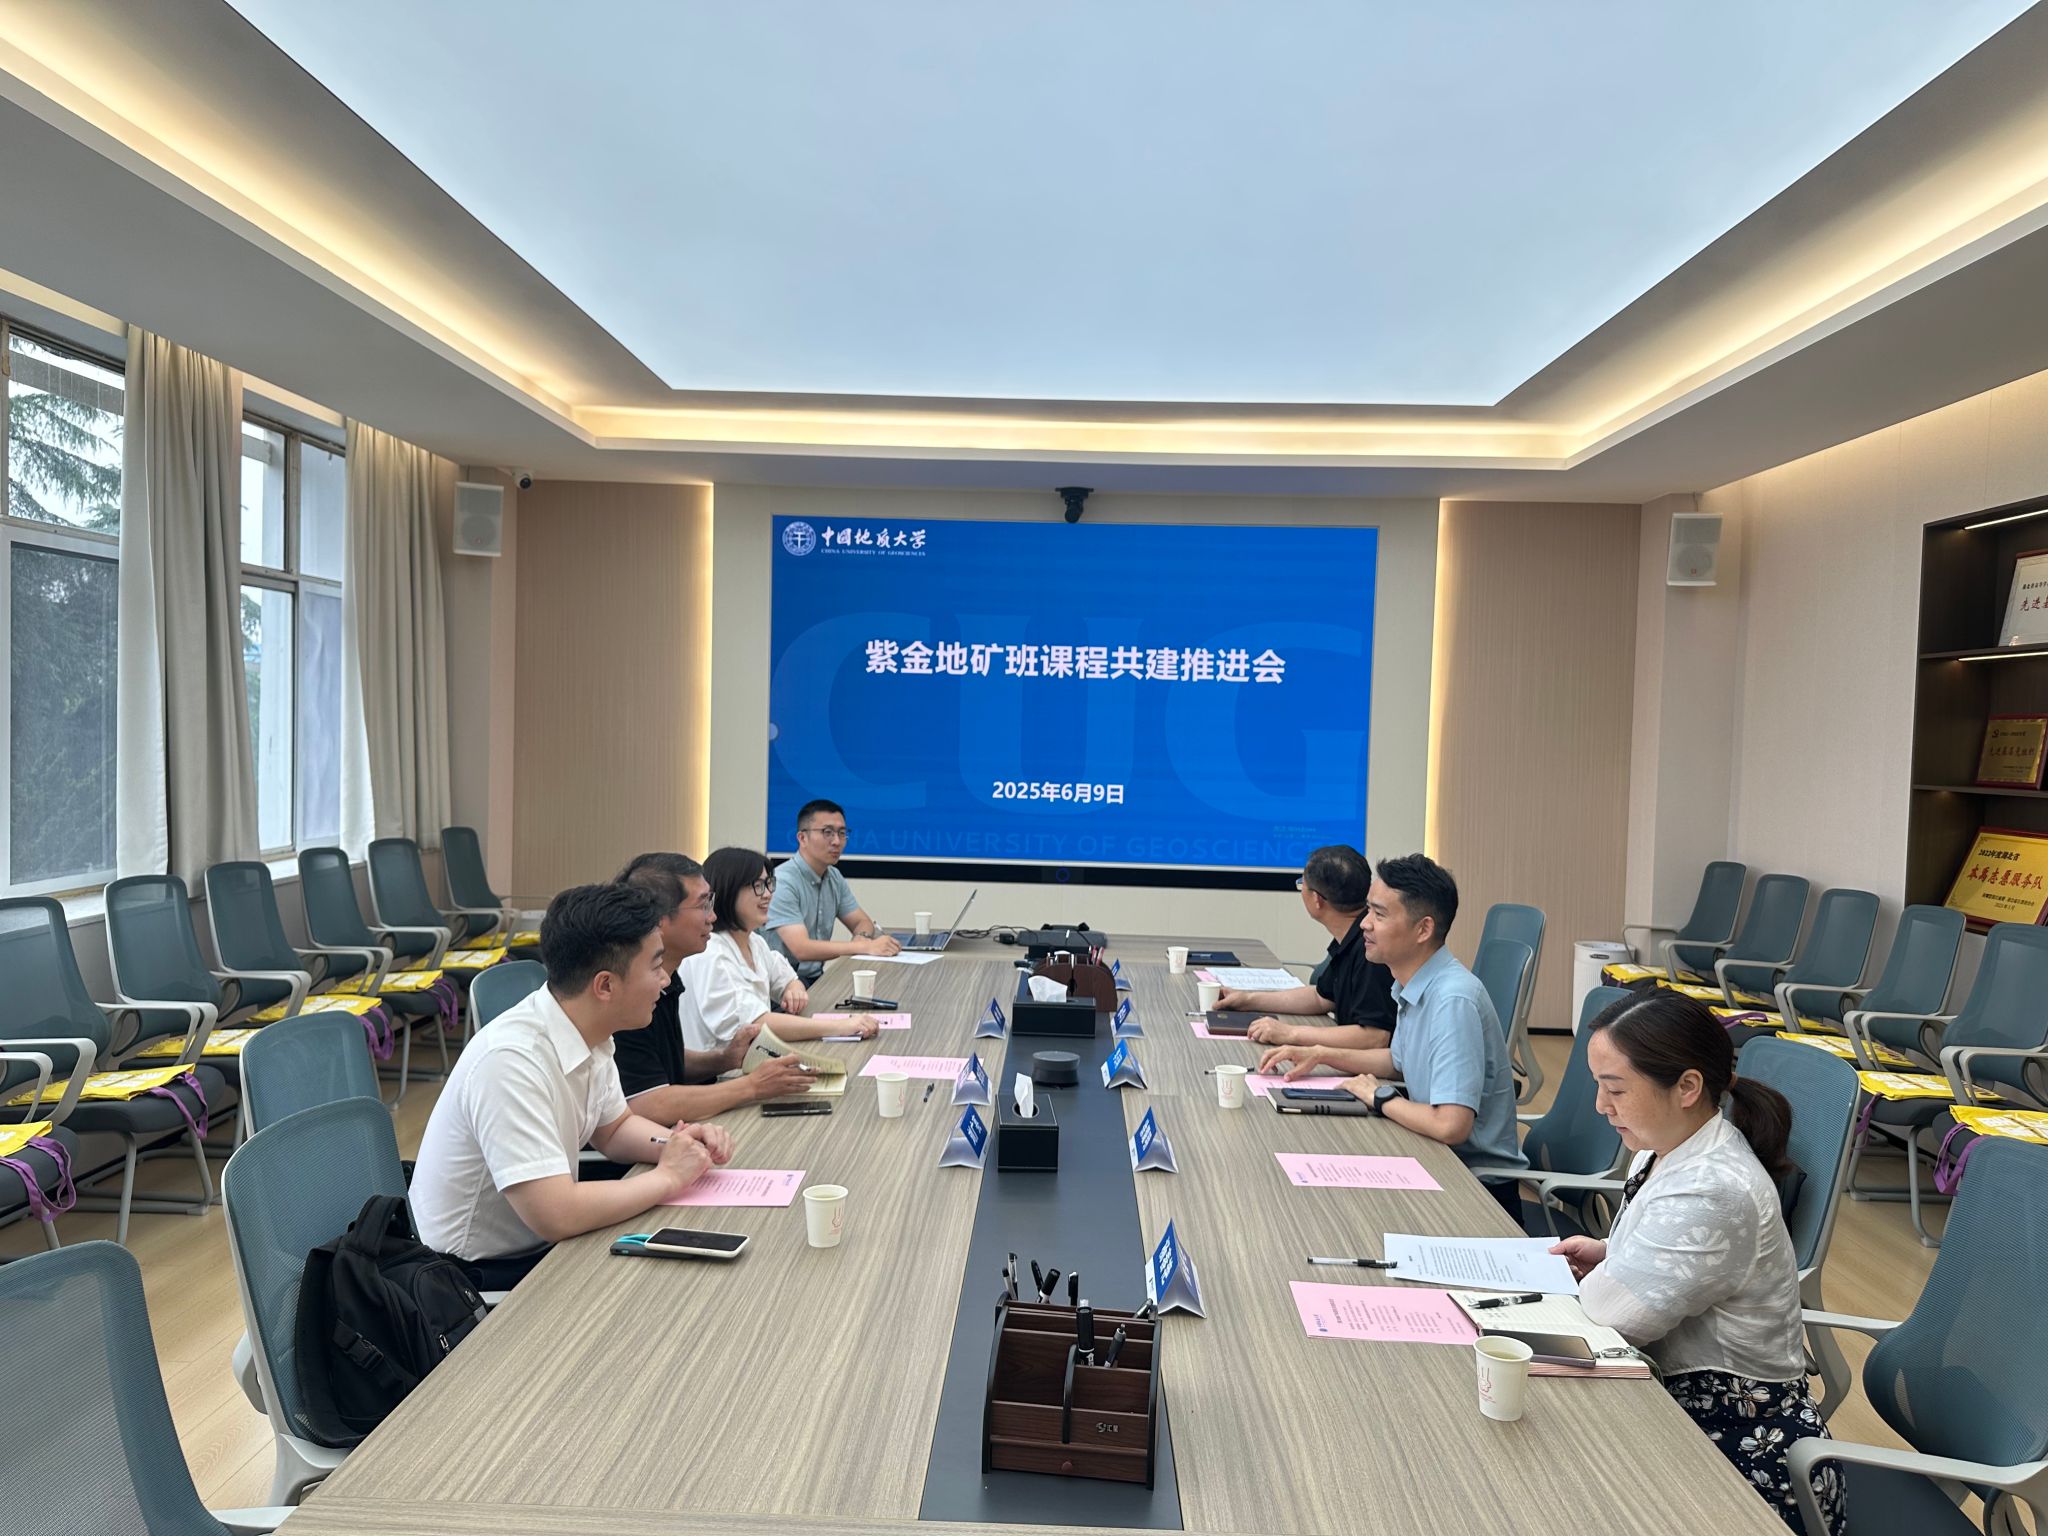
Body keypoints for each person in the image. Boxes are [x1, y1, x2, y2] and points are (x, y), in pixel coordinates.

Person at [1549, 990, 1841, 1533]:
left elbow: (1610, 1320)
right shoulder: (1664, 1147)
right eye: (1599, 1085)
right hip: (1674, 1407)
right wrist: (1614, 1253)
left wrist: (1614, 1277)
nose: (1600, 1105)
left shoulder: (1714, 1188)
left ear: (1687, 1087)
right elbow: (1685, 1259)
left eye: (1616, 1088)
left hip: (1744, 1460)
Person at [410, 883, 734, 1289]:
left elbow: (614, 1128)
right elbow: (557, 1215)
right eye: (655, 967)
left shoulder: (589, 1028)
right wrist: (668, 1178)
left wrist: (677, 1145)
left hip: (546, 1247)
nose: (665, 979)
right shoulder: (511, 1062)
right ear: (605, 986)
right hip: (474, 1278)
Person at [1256, 853, 1525, 1215]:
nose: (1365, 924)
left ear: (1423, 929)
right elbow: (1398, 1062)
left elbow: (1451, 1126)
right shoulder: (1412, 982)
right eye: (1368, 910)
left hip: (1475, 1194)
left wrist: (1380, 1097)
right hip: (1434, 1161)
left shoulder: (1452, 1000)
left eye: (1379, 915)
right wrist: (1320, 1054)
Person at [611, 852, 817, 1119]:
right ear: (659, 918)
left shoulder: (667, 976)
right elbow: (648, 1103)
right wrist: (752, 1086)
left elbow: (663, 1063)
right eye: (703, 905)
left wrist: (724, 1059)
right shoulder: (627, 991)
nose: (712, 916)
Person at [677, 846, 881, 1052]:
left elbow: (786, 977)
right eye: (758, 886)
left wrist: (794, 988)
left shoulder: (754, 942)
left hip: (753, 1056)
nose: (767, 894)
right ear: (728, 891)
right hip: (721, 1068)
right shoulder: (711, 952)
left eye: (768, 884)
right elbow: (755, 1025)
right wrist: (840, 1027)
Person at [1215, 844, 1396, 1048]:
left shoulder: (1370, 947)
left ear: (1317, 899)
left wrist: (1291, 1033)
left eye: (1302, 885)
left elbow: (1375, 1037)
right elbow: (1321, 998)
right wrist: (1247, 1000)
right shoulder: (1351, 936)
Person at [766, 798, 900, 982]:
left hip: (816, 978)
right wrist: (863, 947)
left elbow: (862, 921)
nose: (837, 841)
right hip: (781, 985)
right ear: (802, 838)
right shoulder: (782, 882)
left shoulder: (833, 877)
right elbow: (801, 949)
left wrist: (861, 937)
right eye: (827, 833)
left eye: (842, 833)